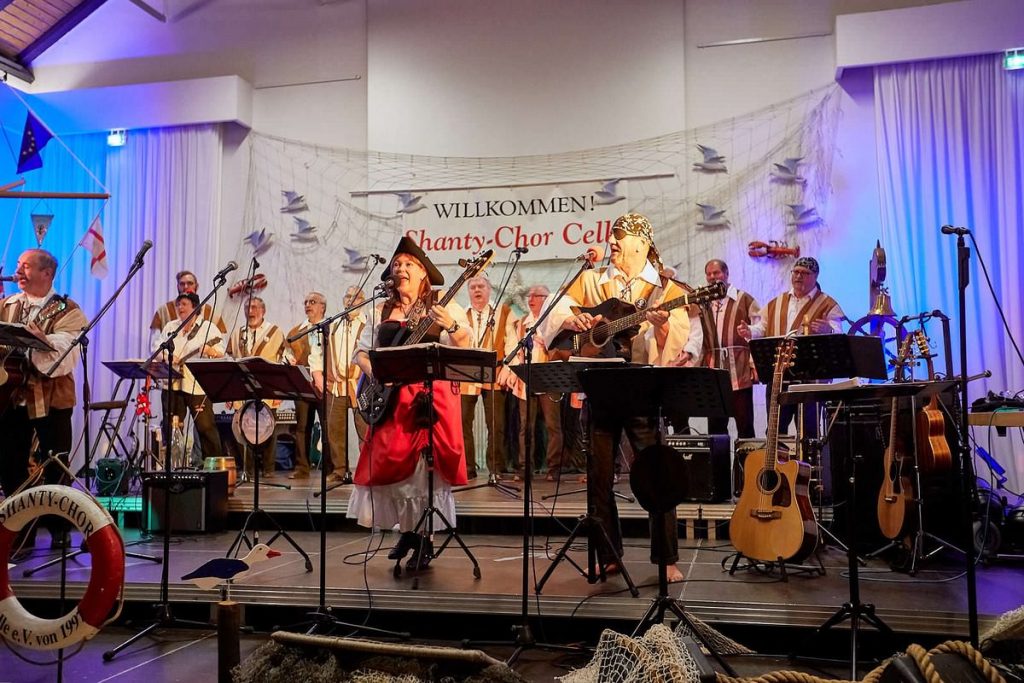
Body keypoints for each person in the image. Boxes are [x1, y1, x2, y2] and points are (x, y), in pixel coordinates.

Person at [538, 212, 690, 583]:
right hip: (600, 388)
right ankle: (607, 555)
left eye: (620, 235)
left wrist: (662, 326)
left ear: (642, 243)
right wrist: (571, 320)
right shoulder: (593, 279)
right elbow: (553, 308)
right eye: (613, 235)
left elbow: (677, 341)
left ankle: (666, 557)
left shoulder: (665, 289)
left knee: (656, 472)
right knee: (598, 477)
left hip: (643, 390)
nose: (612, 242)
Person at [349, 236, 472, 571]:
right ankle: (407, 532)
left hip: (425, 401)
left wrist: (452, 326)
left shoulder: (442, 306)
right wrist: (379, 374)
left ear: (423, 273)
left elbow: (465, 345)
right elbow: (360, 353)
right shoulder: (380, 310)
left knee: (421, 473)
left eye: (408, 264)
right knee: (392, 469)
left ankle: (424, 540)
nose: (400, 268)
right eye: (397, 264)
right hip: (389, 401)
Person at [0, 249, 88, 555]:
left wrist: (41, 342)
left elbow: (63, 356)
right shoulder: (8, 305)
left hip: (52, 399)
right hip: (12, 398)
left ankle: (59, 527)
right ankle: (20, 529)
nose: (18, 271)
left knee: (56, 465)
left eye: (25, 266)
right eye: (18, 265)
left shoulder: (67, 310)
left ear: (46, 273)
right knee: (10, 463)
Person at [738, 256, 845, 438]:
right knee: (775, 432)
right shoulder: (777, 302)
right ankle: (778, 457)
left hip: (811, 380)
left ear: (815, 276)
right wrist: (749, 331)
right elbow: (762, 328)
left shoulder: (827, 304)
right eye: (795, 272)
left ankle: (808, 457)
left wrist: (829, 330)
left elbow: (839, 336)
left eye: (805, 273)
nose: (798, 276)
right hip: (779, 376)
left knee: (809, 432)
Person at [153, 292, 226, 466]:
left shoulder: (208, 327)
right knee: (171, 427)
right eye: (178, 304)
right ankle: (174, 466)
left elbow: (221, 351)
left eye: (184, 304)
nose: (180, 308)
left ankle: (215, 467)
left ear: (195, 307)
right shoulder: (171, 326)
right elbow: (156, 349)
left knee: (205, 427)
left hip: (196, 385)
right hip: (172, 384)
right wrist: (169, 357)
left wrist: (209, 351)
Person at [307, 286, 369, 483]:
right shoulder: (331, 324)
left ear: (362, 301)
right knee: (334, 430)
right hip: (335, 385)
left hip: (361, 385)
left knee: (365, 429)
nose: (351, 300)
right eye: (348, 296)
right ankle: (339, 470)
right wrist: (317, 375)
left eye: (355, 297)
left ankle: (367, 470)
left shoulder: (369, 323)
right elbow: (316, 352)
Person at [504, 285, 564, 481]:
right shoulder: (523, 322)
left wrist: (545, 343)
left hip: (549, 377)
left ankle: (554, 468)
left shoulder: (554, 322)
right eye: (530, 296)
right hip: (527, 379)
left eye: (537, 296)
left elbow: (563, 350)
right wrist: (513, 372)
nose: (531, 299)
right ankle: (525, 468)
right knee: (525, 427)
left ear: (547, 299)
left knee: (552, 425)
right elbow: (514, 349)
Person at [699, 259, 760, 438]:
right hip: (713, 371)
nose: (712, 277)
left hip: (739, 369)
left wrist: (754, 364)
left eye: (716, 273)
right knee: (715, 428)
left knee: (745, 424)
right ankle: (719, 457)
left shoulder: (745, 299)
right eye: (709, 274)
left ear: (726, 274)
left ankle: (746, 457)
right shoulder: (702, 302)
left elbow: (759, 329)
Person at [460, 276, 513, 480]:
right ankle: (467, 468)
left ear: (489, 290)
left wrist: (508, 367)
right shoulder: (462, 314)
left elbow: (512, 341)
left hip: (495, 371)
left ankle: (496, 468)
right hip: (467, 373)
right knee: (463, 421)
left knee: (496, 423)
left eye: (481, 286)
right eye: (472, 287)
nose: (477, 290)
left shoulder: (503, 312)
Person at [226, 296, 285, 479]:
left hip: (267, 387)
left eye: (254, 307)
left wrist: (279, 391)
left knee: (268, 427)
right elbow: (229, 360)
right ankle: (248, 469)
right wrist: (230, 392)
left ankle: (268, 468)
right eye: (247, 308)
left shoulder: (275, 332)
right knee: (242, 427)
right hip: (242, 387)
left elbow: (283, 362)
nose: (250, 312)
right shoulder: (237, 333)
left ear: (263, 310)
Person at [283, 291, 327, 480]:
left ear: (322, 307)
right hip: (302, 384)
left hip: (325, 384)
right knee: (302, 427)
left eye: (313, 302)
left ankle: (331, 467)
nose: (308, 305)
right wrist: (289, 360)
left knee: (327, 425)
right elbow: (286, 353)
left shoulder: (330, 328)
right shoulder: (295, 332)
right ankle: (302, 467)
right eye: (306, 302)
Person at [150, 270, 226, 345]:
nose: (186, 287)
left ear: (197, 286)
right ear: (177, 286)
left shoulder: (210, 311)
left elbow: (222, 341)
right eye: (182, 284)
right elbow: (154, 343)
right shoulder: (163, 311)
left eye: (190, 283)